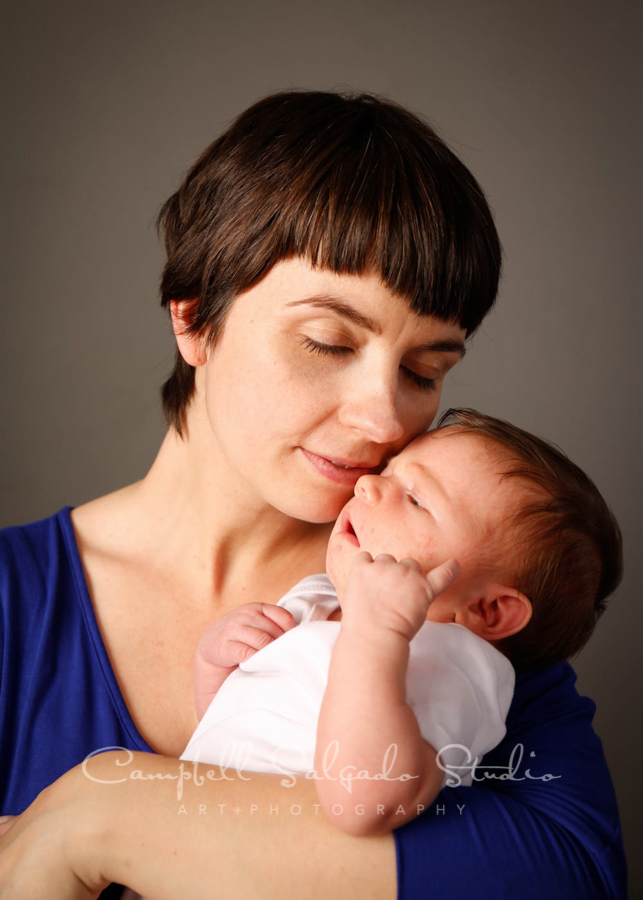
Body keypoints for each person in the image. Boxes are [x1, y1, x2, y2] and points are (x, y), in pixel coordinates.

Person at [0, 91, 627, 899]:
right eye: (327, 341)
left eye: (423, 371)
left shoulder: (454, 592)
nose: (384, 416)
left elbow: (568, 874)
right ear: (194, 319)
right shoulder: (18, 603)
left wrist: (102, 817)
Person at [179, 408, 622, 838]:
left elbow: (365, 802)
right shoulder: (315, 597)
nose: (368, 484)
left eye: (415, 498)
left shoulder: (457, 666)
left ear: (488, 611)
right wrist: (215, 665)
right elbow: (230, 731)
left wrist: (376, 637)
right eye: (389, 469)